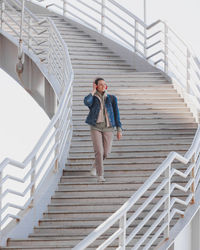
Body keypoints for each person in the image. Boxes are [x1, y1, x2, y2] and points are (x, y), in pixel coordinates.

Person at [84, 77, 122, 182]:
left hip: (108, 128)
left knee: (106, 153)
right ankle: (100, 176)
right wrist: (92, 91)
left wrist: (119, 129)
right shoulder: (93, 98)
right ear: (96, 86)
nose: (103, 86)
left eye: (104, 84)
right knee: (99, 152)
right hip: (95, 127)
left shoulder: (112, 98)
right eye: (100, 84)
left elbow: (116, 114)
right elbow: (86, 102)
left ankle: (95, 166)